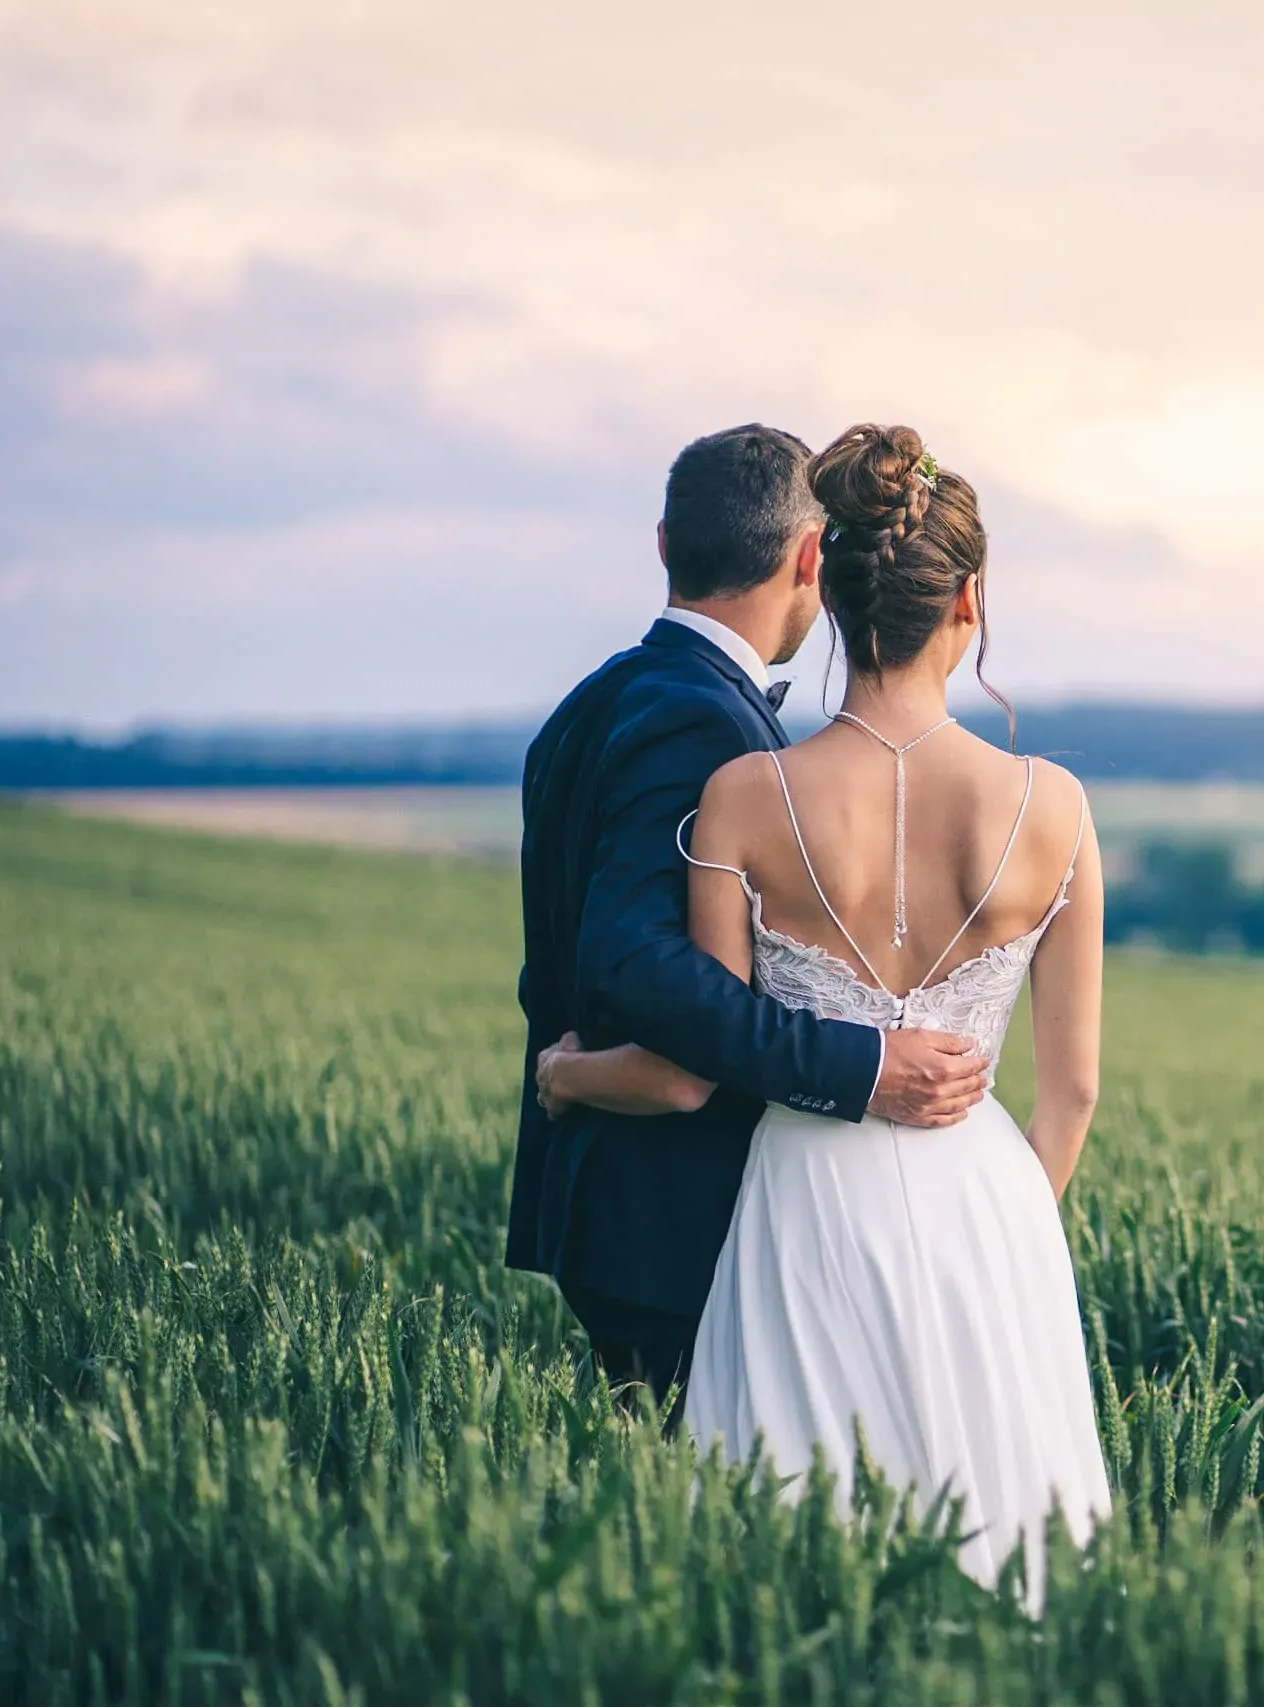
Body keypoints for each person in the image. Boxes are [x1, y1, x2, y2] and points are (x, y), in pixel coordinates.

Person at [536, 424, 1111, 1606]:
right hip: (989, 1209)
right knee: (1013, 1559)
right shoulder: (1052, 804)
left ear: (831, 588)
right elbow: (1074, 1090)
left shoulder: (743, 797)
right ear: (970, 601)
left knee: (779, 1554)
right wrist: (997, 1227)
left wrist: (571, 1075)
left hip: (794, 1207)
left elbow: (703, 1043)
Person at [507, 424, 991, 1412]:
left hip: (616, 1207)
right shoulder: (704, 721)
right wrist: (856, 1064)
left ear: (663, 544)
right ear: (810, 557)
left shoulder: (597, 701)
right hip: (670, 1225)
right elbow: (630, 959)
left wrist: (569, 1071)